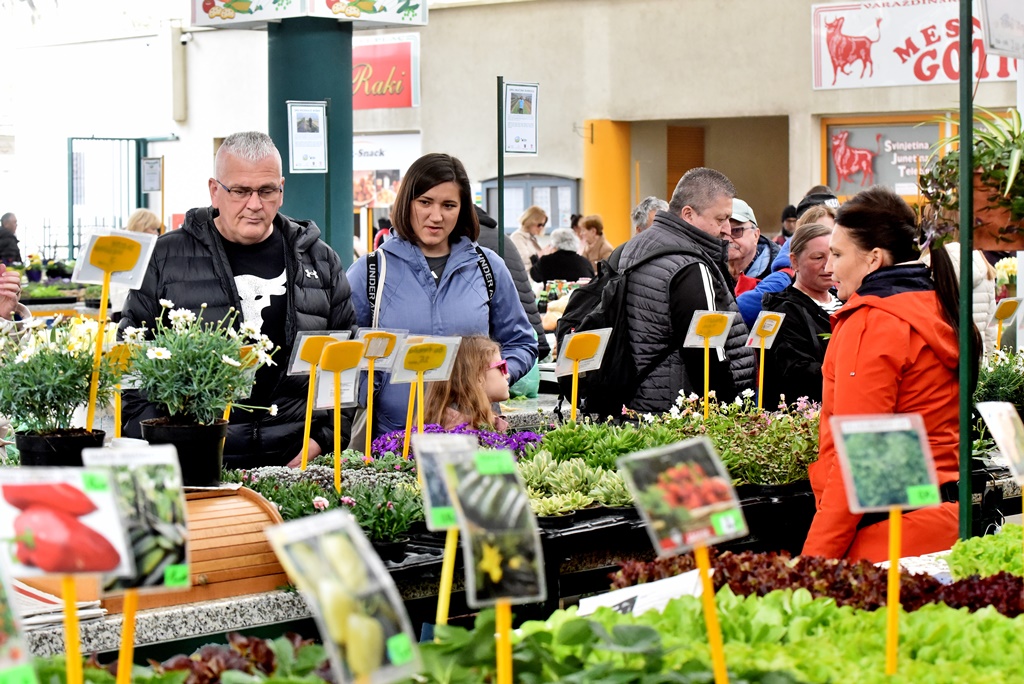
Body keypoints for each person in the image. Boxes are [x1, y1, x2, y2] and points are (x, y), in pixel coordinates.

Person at [119, 131, 356, 469]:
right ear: (215, 191)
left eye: (266, 190)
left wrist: (323, 440)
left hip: (296, 462)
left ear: (281, 190)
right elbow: (132, 363)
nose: (255, 204)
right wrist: (168, 442)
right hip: (196, 461)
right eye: (241, 191)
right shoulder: (165, 257)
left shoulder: (319, 260)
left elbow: (346, 362)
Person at [802, 186, 975, 562]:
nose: (829, 266)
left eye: (837, 254)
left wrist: (814, 562)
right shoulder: (939, 303)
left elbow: (859, 461)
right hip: (945, 524)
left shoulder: (873, 322)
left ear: (874, 259)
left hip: (891, 536)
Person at [346, 153, 537, 438]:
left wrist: (492, 378)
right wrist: (379, 390)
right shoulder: (371, 272)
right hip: (393, 442)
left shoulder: (488, 267)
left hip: (476, 433)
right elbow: (344, 357)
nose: (436, 216)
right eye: (425, 202)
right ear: (407, 202)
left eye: (449, 205)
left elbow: (521, 342)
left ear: (462, 209)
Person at [618, 167, 756, 413]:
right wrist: (730, 411)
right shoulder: (690, 264)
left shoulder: (633, 246)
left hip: (639, 397)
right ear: (689, 214)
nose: (726, 229)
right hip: (679, 409)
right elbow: (706, 352)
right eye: (721, 219)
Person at [760, 223, 840, 407]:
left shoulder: (844, 301)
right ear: (794, 261)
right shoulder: (783, 311)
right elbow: (796, 371)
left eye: (835, 255)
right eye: (818, 257)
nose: (828, 266)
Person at [736, 197, 838, 326]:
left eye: (833, 233)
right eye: (817, 231)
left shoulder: (838, 288)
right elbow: (737, 311)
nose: (827, 238)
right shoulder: (782, 283)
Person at [474, 205, 550, 361]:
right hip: (526, 298)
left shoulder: (481, 242)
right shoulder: (509, 238)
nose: (541, 228)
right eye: (539, 224)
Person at [425, 336, 511, 431]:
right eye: (501, 366)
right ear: (477, 375)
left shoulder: (463, 424)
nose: (507, 375)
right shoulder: (461, 435)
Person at [727, 199, 780, 293]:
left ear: (756, 235)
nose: (727, 239)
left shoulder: (778, 273)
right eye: (721, 233)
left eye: (736, 231)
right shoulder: (706, 269)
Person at [530, 228, 594, 283]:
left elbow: (535, 277)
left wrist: (536, 258)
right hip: (580, 297)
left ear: (554, 243)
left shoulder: (546, 261)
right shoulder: (585, 262)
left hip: (553, 297)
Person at [509, 205, 547, 272]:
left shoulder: (531, 238)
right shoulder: (517, 237)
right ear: (530, 221)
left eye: (543, 225)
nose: (541, 228)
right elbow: (524, 260)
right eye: (539, 225)